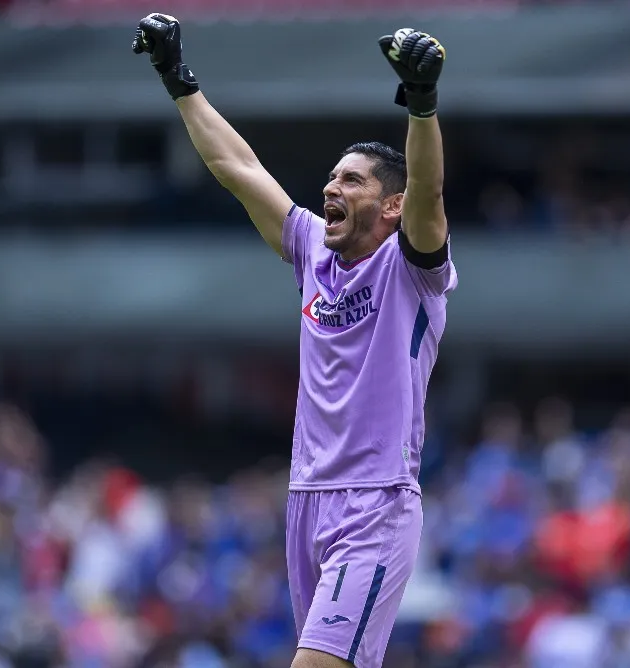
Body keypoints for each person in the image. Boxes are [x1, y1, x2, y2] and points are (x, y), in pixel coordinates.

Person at [132, 14, 456, 668]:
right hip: (306, 502)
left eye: (352, 180)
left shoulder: (412, 266)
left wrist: (422, 108)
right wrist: (177, 79)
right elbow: (237, 166)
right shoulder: (314, 250)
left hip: (375, 506)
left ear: (390, 207)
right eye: (332, 179)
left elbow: (428, 190)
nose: (331, 189)